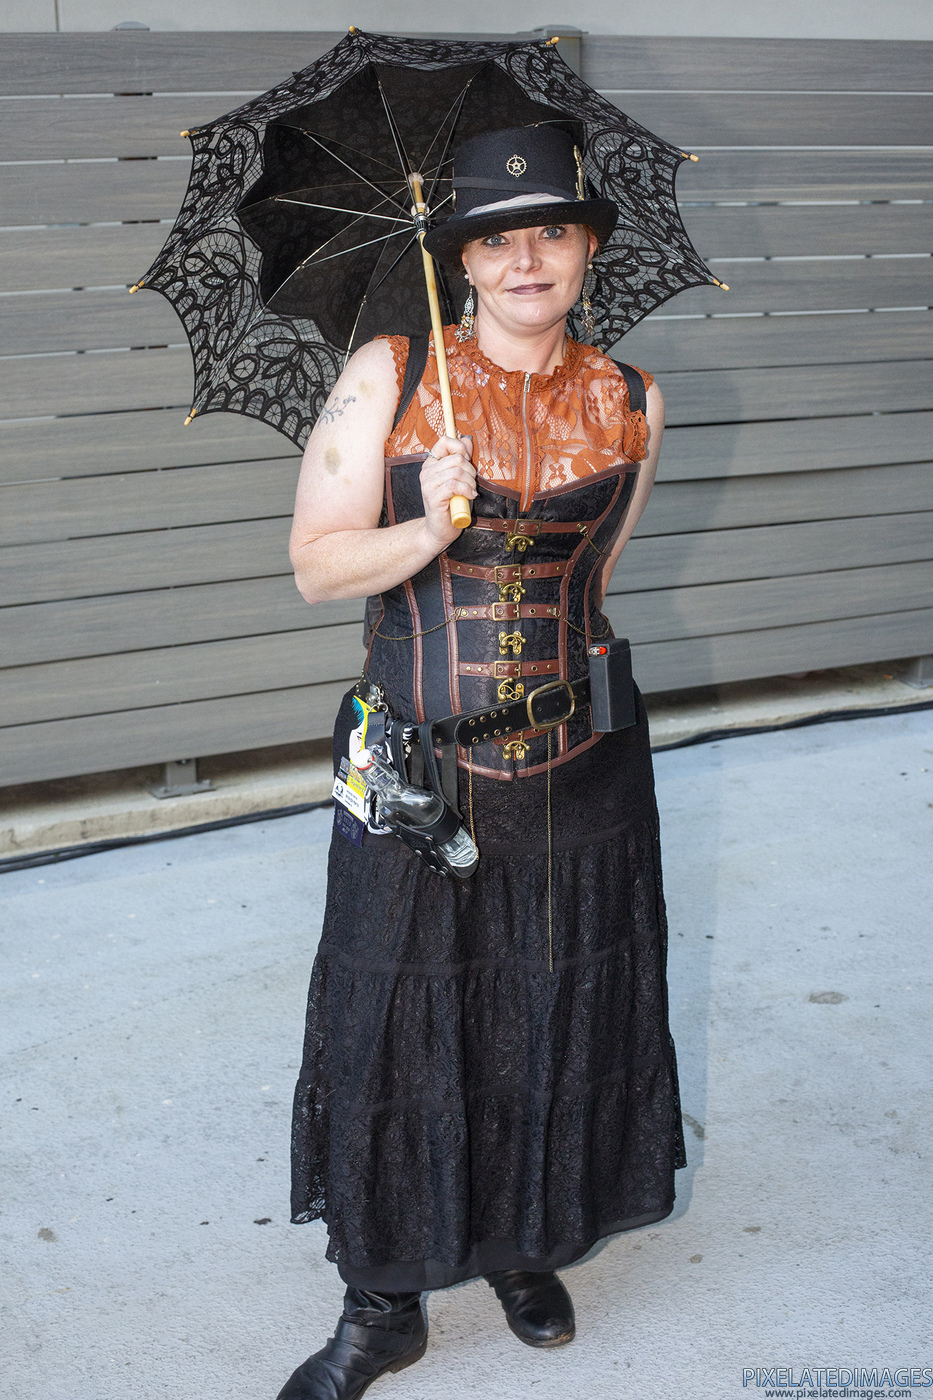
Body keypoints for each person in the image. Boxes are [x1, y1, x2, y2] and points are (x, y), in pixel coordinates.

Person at [278, 123, 684, 1400]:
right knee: (395, 1021)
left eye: (551, 231)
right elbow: (315, 566)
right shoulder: (391, 376)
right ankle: (381, 1303)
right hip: (417, 775)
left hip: (583, 769)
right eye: (498, 239)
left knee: (549, 1007)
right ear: (459, 259)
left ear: (588, 249)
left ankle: (519, 1241)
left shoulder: (632, 399)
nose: (526, 259)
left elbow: (596, 578)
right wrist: (424, 526)